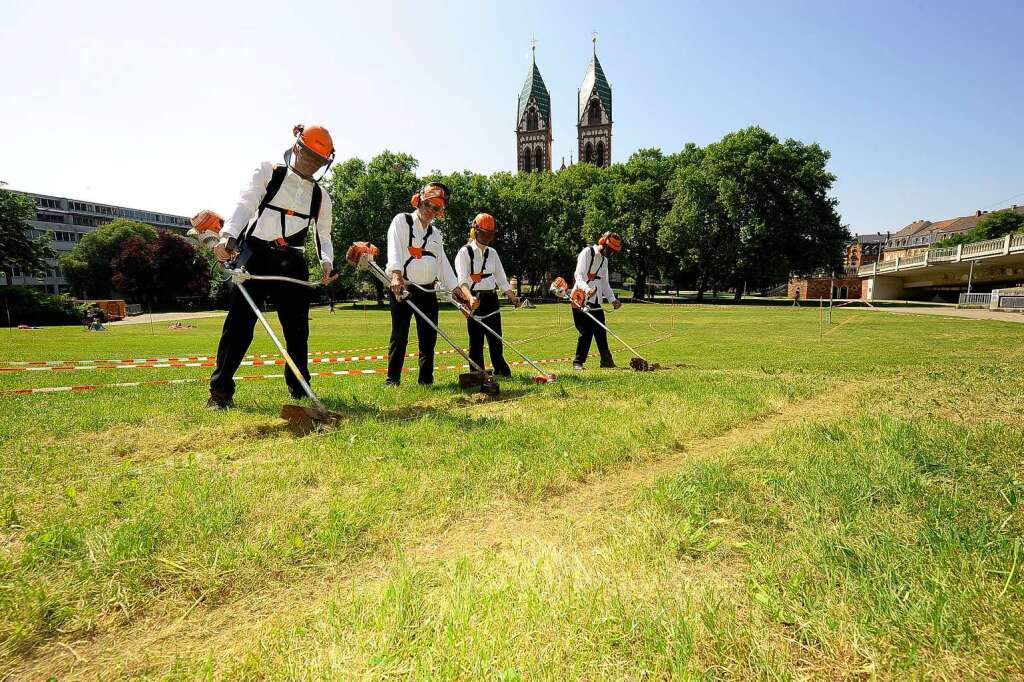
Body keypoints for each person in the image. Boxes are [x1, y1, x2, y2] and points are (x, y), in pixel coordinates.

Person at [207, 124, 337, 409]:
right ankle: (220, 391)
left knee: (297, 330)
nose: (310, 163)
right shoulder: (269, 173)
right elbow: (245, 204)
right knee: (239, 327)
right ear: (296, 146)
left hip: (292, 262)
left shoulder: (321, 196)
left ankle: (300, 388)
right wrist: (228, 238)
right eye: (307, 154)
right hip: (254, 256)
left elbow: (323, 236)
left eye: (318, 160)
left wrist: (327, 263)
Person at [384, 182, 463, 386]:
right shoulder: (402, 221)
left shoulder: (436, 234)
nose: (431, 212)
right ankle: (392, 379)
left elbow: (443, 263)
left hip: (427, 291)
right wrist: (396, 274)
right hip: (403, 288)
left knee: (428, 337)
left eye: (436, 209)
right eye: (429, 205)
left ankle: (426, 380)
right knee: (399, 336)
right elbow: (394, 247)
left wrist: (455, 288)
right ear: (419, 201)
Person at [454, 213, 520, 377]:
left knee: (496, 338)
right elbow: (462, 280)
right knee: (476, 341)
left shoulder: (493, 253)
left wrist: (513, 298)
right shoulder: (464, 253)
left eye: (491, 234)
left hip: (491, 299)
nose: (488, 237)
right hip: (474, 298)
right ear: (475, 231)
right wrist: (469, 298)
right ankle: (477, 373)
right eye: (485, 233)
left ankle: (501, 370)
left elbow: (502, 280)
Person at [571, 231, 623, 369]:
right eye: (609, 249)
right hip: (580, 298)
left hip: (595, 300)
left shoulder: (604, 261)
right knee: (585, 332)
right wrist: (586, 289)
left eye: (613, 251)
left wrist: (613, 300)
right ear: (603, 243)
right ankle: (578, 362)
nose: (610, 253)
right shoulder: (587, 253)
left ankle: (606, 361)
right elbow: (579, 275)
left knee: (601, 330)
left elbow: (605, 283)